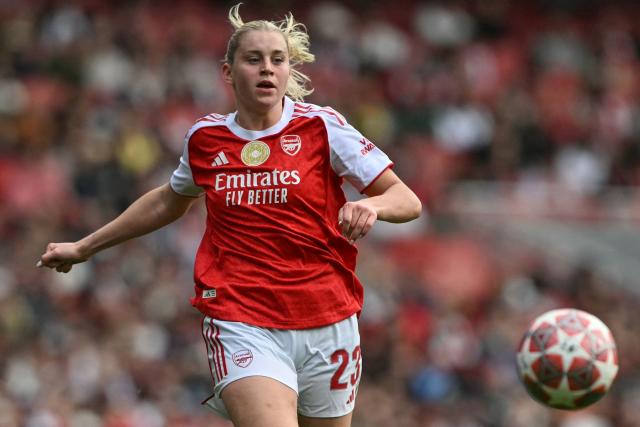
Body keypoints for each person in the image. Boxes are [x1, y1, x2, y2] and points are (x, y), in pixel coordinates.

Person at [38, 4, 422, 427]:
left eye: (277, 60)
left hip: (328, 317)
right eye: (253, 59)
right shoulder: (206, 138)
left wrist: (371, 205)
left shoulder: (322, 127)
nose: (267, 69)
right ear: (228, 71)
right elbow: (170, 200)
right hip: (242, 317)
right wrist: (85, 247)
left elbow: (406, 199)